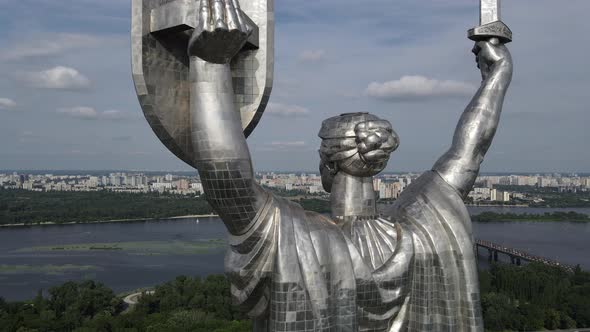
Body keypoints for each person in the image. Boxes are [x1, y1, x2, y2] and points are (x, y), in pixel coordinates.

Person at [187, 0, 513, 330]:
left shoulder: (298, 237)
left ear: (327, 165)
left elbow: (227, 180)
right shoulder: (420, 231)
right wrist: (497, 76)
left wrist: (209, 65)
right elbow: (468, 153)